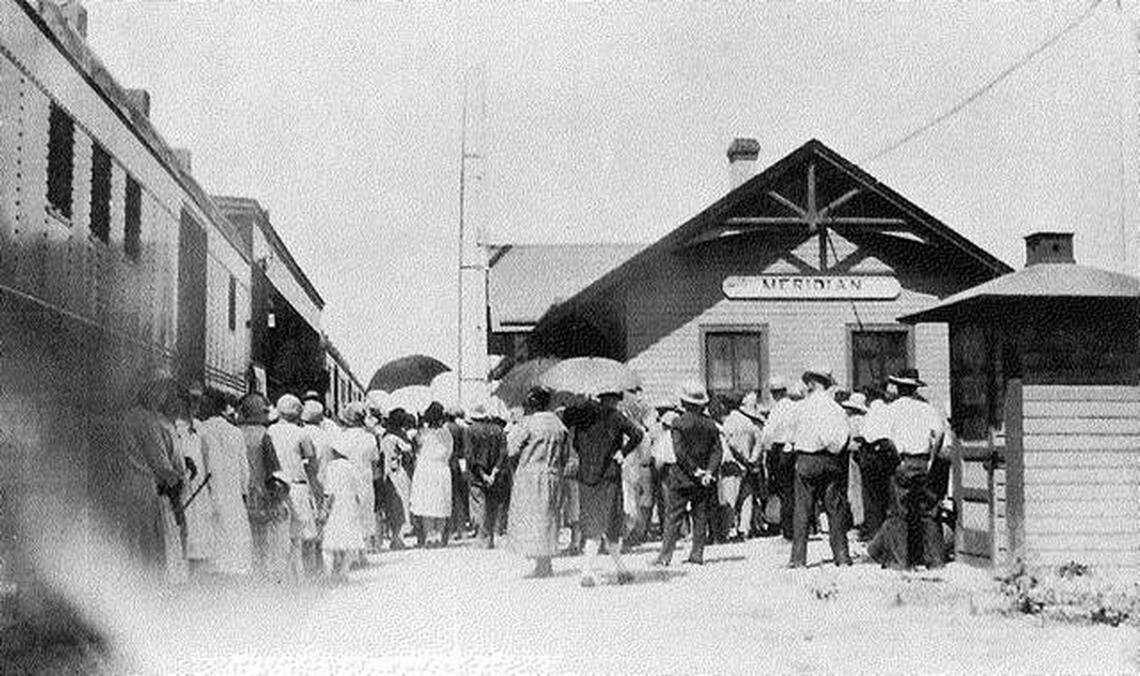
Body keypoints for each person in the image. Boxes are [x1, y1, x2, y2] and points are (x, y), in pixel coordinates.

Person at [868, 368, 948, 570]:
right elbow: (939, 433)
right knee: (929, 513)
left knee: (899, 513)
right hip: (923, 462)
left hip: (902, 462)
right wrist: (931, 457)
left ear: (899, 387)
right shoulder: (926, 408)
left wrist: (893, 457)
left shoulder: (891, 409)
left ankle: (899, 561)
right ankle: (935, 560)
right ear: (914, 388)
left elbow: (877, 436)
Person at [568, 390, 644, 587]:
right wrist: (622, 452)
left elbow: (575, 443)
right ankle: (617, 569)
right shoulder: (616, 417)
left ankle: (592, 570)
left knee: (591, 522)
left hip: (587, 476)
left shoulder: (583, 417)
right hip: (610, 476)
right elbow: (638, 434)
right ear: (614, 400)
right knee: (611, 522)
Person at [118, 378, 186, 577]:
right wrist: (177, 480)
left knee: (132, 541)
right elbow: (160, 461)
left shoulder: (129, 416)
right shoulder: (146, 420)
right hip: (145, 487)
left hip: (128, 483)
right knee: (148, 545)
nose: (161, 399)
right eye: (160, 394)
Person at [788, 366, 852, 569]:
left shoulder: (800, 408)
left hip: (806, 459)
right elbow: (842, 439)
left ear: (813, 383)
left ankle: (798, 559)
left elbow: (790, 437)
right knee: (835, 509)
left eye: (808, 382)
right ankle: (841, 555)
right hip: (831, 460)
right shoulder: (837, 409)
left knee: (802, 510)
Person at [654, 380, 720, 567]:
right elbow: (717, 451)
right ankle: (697, 555)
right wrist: (708, 471)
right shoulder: (711, 425)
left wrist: (694, 470)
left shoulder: (678, 424)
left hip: (681, 477)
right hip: (704, 480)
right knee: (700, 517)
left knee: (673, 517)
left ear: (684, 402)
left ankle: (665, 556)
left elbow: (680, 452)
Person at [506, 387, 571, 578]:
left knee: (531, 518)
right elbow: (566, 455)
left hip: (530, 475)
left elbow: (512, 449)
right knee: (549, 517)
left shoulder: (529, 423)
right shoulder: (559, 425)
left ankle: (539, 562)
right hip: (553, 474)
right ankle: (546, 562)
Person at [196, 388, 253, 577]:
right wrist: (243, 493)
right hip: (233, 496)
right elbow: (244, 469)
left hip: (210, 494)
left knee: (213, 553)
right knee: (234, 552)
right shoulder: (236, 432)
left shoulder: (201, 430)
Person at [237, 392, 290, 581]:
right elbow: (272, 469)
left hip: (239, 495)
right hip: (259, 495)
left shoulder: (236, 432)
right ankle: (261, 581)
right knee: (262, 542)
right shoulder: (264, 435)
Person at [267, 394, 319, 582]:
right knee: (300, 539)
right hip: (297, 488)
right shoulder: (301, 434)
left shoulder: (270, 431)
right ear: (298, 413)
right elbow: (312, 464)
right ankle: (301, 579)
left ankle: (283, 580)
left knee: (279, 539)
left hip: (276, 488)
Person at [335, 402, 380, 561]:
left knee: (349, 514)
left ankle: (351, 555)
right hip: (365, 479)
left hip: (346, 480)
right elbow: (375, 461)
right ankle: (362, 554)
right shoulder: (370, 438)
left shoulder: (341, 437)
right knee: (365, 514)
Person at [464, 403, 510, 549]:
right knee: (492, 505)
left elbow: (469, 455)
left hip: (477, 475)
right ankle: (490, 536)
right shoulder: (499, 430)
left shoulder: (470, 431)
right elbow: (503, 453)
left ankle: (481, 536)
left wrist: (483, 474)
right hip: (496, 475)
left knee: (478, 505)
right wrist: (494, 472)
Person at [410, 402, 454, 548]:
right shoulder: (447, 433)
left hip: (425, 470)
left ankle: (429, 536)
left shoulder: (422, 433)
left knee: (427, 503)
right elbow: (449, 452)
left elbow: (415, 448)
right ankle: (439, 536)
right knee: (441, 502)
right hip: (441, 469)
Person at [720, 392, 763, 542]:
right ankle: (744, 529)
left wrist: (743, 459)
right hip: (749, 465)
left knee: (730, 499)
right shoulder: (750, 422)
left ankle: (730, 530)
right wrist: (752, 460)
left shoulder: (729, 422)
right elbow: (759, 442)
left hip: (733, 464)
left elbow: (730, 444)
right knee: (746, 498)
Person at [760, 376, 797, 540]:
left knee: (783, 491)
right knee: (794, 490)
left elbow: (768, 433)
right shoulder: (795, 407)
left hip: (780, 449)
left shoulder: (777, 410)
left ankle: (787, 529)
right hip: (795, 448)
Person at [321, 443, 364, 582]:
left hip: (336, 505)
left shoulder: (331, 467)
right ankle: (344, 572)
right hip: (350, 504)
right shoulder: (353, 467)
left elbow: (328, 491)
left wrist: (324, 510)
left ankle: (329, 573)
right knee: (351, 540)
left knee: (329, 542)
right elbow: (359, 491)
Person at [857, 387, 895, 541]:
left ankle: (873, 531)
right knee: (885, 493)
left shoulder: (870, 412)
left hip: (869, 453)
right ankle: (883, 532)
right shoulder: (888, 410)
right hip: (885, 452)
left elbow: (864, 433)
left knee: (870, 496)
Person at [379, 409, 414, 550]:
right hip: (398, 473)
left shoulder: (385, 437)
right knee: (400, 505)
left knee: (391, 507)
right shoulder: (397, 438)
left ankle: (394, 536)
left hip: (387, 474)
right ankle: (398, 538)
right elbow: (408, 451)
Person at [735, 391, 768, 538]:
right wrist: (753, 461)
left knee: (738, 496)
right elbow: (760, 445)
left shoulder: (733, 421)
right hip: (753, 464)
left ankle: (742, 526)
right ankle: (747, 527)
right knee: (750, 496)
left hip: (738, 464)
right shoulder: (757, 426)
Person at [840, 392, 869, 538]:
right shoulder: (866, 419)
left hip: (854, 457)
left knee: (854, 490)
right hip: (863, 457)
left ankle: (858, 523)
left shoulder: (853, 421)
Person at [443, 406, 470, 541]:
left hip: (446, 464)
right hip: (458, 464)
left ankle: (450, 529)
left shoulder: (444, 429)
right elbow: (464, 450)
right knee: (459, 497)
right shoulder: (461, 429)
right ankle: (461, 529)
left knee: (448, 497)